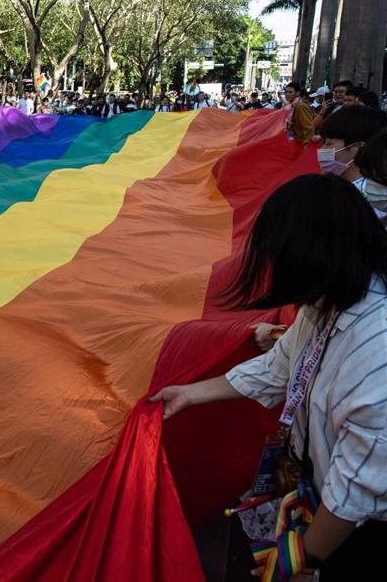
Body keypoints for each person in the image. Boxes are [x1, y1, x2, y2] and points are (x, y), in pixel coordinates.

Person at [151, 174, 387, 581]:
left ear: (315, 253)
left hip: (360, 533)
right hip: (321, 497)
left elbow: (354, 494)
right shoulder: (324, 306)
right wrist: (189, 394)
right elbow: (278, 367)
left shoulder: (378, 348)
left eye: (281, 256)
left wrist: (301, 561)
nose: (274, 268)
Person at [317, 105, 387, 219]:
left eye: (329, 144)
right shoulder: (336, 187)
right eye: (323, 143)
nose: (322, 150)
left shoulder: (374, 198)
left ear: (358, 147)